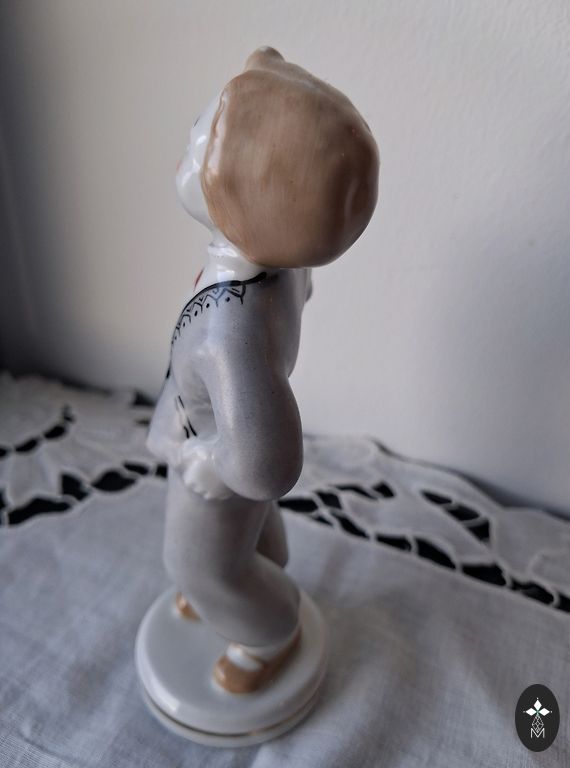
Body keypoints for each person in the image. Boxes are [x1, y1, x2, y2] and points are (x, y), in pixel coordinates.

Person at [147, 46, 379, 693]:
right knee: (242, 534)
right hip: (221, 420)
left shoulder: (230, 336)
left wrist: (210, 461)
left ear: (249, 205)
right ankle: (256, 565)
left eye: (201, 145)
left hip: (213, 454)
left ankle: (265, 629)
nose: (187, 148)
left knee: (194, 560)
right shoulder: (284, 265)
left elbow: (267, 465)